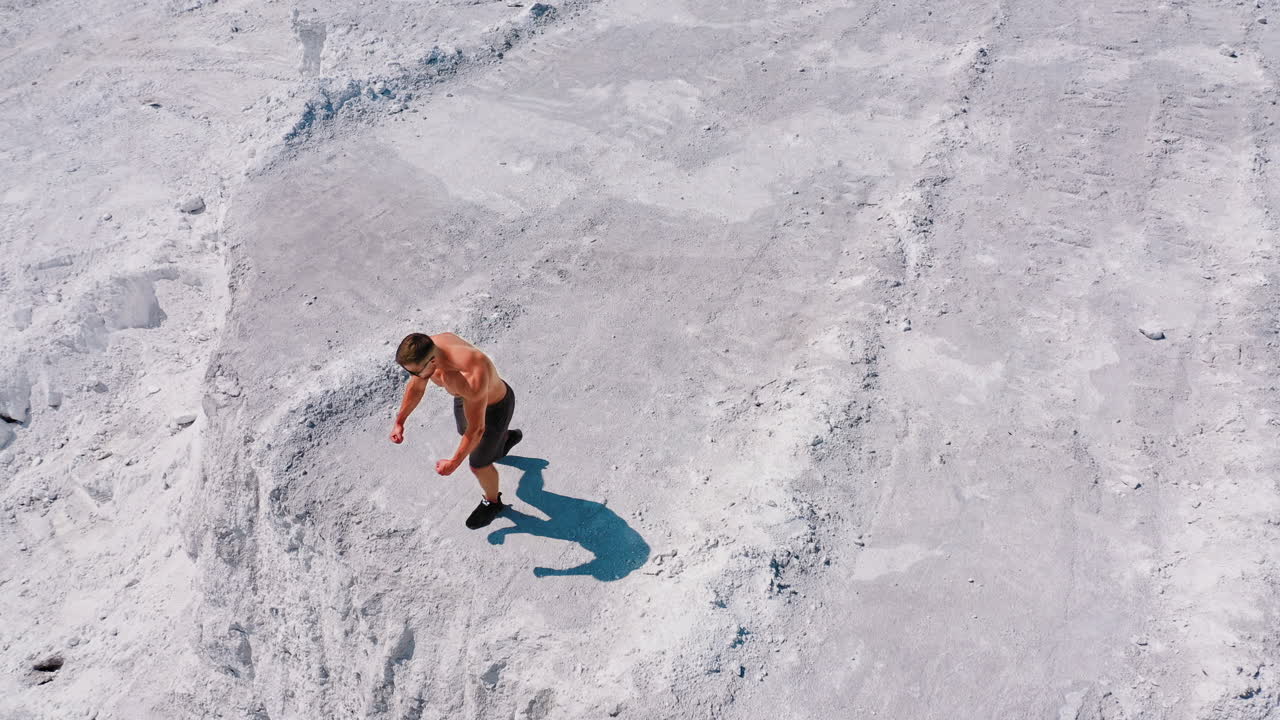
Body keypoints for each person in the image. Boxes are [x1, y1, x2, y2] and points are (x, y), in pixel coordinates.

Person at [390, 332, 522, 529]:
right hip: (465, 397)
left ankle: (493, 503)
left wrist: (453, 462)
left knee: (478, 463)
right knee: (463, 431)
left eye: (416, 372)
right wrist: (400, 421)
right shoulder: (425, 350)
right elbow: (416, 387)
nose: (415, 377)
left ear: (432, 361)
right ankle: (503, 439)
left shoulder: (470, 372)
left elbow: (477, 429)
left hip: (495, 408)